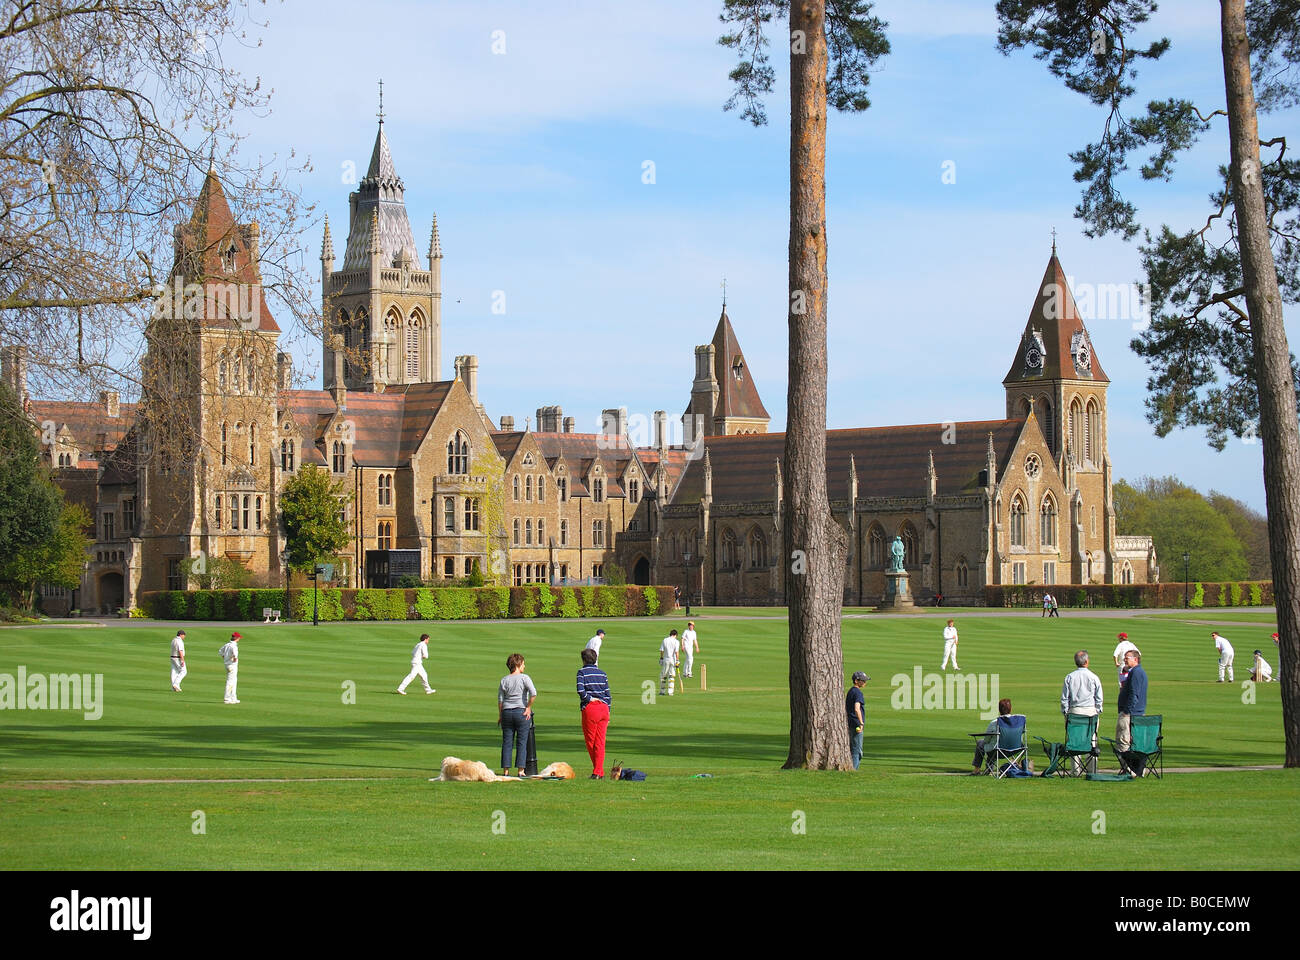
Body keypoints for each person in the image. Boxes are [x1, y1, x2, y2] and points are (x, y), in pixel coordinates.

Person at [1061, 650, 1102, 771]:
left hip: (1074, 712)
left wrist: (1066, 712)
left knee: (1074, 740)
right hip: (1090, 712)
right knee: (1092, 739)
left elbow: (1065, 698)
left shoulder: (1070, 677)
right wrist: (1097, 711)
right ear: (1087, 661)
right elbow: (1099, 698)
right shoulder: (1094, 677)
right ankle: (1092, 769)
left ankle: (1075, 770)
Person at [497, 653, 536, 777]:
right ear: (518, 665)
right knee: (521, 742)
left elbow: (500, 700)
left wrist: (500, 715)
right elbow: (533, 693)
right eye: (523, 664)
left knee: (507, 742)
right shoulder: (524, 678)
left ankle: (506, 771)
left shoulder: (504, 679)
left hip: (507, 712)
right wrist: (528, 707)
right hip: (521, 712)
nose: (524, 666)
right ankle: (520, 771)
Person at [576, 648, 612, 779]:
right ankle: (598, 771)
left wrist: (590, 699)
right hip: (604, 709)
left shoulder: (582, 672)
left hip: (591, 708)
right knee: (600, 742)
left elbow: (580, 690)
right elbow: (608, 695)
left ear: (584, 660)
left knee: (591, 741)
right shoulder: (602, 673)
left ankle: (598, 771)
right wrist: (608, 710)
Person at [1115, 649, 1147, 771]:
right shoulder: (1136, 672)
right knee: (1131, 742)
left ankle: (1130, 769)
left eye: (1127, 658)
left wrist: (1126, 711)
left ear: (1136, 659)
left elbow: (1134, 694)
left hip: (1130, 714)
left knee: (1123, 741)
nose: (1124, 660)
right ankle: (1136, 769)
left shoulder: (1136, 673)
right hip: (1135, 713)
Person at [971, 698, 1015, 775]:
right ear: (1011, 708)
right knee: (994, 744)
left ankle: (977, 770)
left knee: (981, 743)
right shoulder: (1017, 721)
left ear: (999, 710)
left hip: (998, 750)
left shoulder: (995, 723)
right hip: (1014, 749)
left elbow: (986, 740)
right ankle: (989, 769)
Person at [845, 671, 868, 770]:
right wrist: (861, 722)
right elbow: (856, 708)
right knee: (857, 752)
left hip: (850, 722)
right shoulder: (858, 693)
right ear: (856, 681)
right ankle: (853, 770)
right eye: (863, 681)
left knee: (853, 749)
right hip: (856, 724)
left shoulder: (851, 691)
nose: (864, 682)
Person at [219, 632, 240, 704]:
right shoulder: (233, 646)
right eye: (238, 638)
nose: (239, 639)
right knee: (230, 682)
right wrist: (234, 659)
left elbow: (220, 652)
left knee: (234, 681)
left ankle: (233, 698)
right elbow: (235, 656)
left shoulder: (227, 645)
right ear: (236, 638)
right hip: (232, 666)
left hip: (227, 664)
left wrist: (225, 659)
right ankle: (227, 699)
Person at [659, 629, 681, 696]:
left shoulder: (665, 640)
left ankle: (662, 692)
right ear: (675, 635)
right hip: (673, 660)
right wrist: (677, 660)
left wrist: (661, 658)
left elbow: (662, 650)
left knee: (664, 676)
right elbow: (676, 652)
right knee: (671, 676)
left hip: (666, 659)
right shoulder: (676, 641)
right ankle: (670, 692)